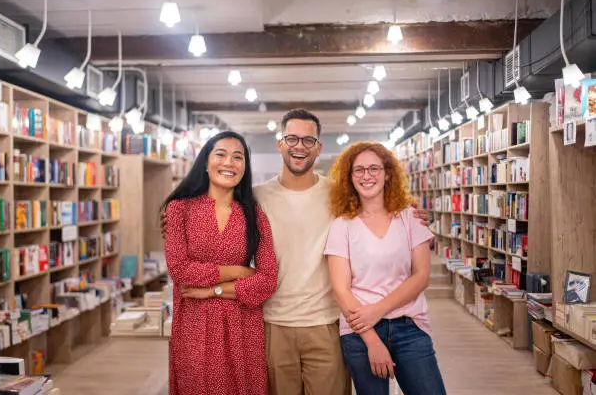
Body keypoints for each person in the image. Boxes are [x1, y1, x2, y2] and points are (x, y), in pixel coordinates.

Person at [160, 109, 430, 395]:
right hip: (272, 324)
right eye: (291, 138)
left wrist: (411, 212)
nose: (299, 146)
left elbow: (377, 207)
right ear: (280, 144)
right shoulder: (256, 198)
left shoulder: (339, 195)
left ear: (318, 147)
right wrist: (176, 220)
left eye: (308, 140)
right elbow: (212, 220)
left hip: (324, 322)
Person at [324, 141, 446, 395]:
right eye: (358, 170)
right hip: (360, 332)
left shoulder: (409, 218)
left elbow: (421, 277)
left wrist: (377, 310)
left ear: (387, 173)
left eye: (373, 169)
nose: (366, 176)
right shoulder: (342, 225)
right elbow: (341, 289)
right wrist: (371, 339)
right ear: (349, 178)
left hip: (409, 326)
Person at [161, 131, 278, 395]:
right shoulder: (180, 209)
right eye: (221, 154)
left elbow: (267, 280)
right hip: (195, 326)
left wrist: (212, 290)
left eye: (238, 157)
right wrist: (239, 271)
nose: (229, 163)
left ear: (245, 167)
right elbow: (180, 269)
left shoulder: (255, 217)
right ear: (205, 162)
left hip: (242, 328)